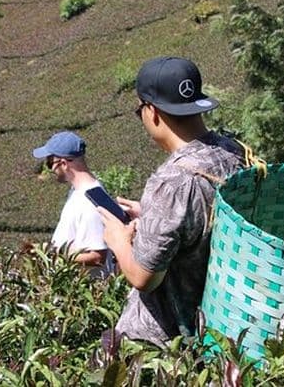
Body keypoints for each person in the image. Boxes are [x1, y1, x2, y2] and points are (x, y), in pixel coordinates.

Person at [98, 56, 245, 347]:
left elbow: (144, 277)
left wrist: (117, 240)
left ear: (151, 112)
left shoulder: (173, 182)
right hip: (216, 321)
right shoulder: (233, 152)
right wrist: (152, 215)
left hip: (166, 340)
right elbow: (207, 218)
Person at [31, 131, 113, 276]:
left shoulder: (89, 203)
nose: (50, 170)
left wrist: (53, 255)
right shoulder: (82, 191)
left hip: (86, 292)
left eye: (50, 163)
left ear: (63, 164)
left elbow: (97, 257)